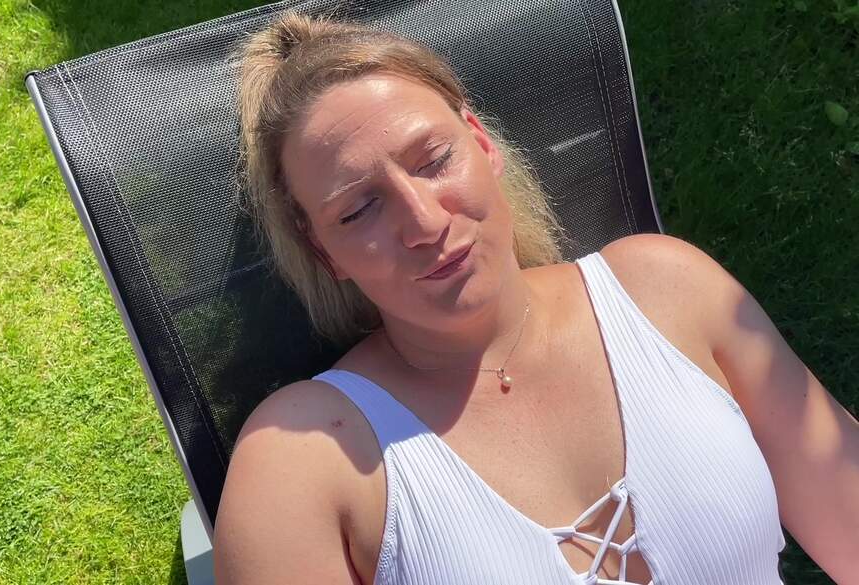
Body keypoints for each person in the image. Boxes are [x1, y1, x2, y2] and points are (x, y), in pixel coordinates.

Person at [213, 12, 859, 585]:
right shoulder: (303, 458)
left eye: (433, 160)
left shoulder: (667, 291)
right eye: (358, 210)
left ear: (481, 142)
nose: (424, 223)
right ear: (323, 250)